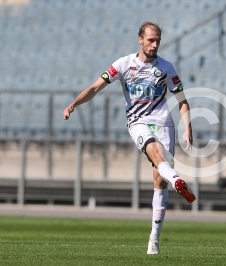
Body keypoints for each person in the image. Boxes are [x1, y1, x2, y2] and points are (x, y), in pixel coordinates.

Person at [63, 21, 196, 255]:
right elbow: (95, 88)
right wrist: (74, 103)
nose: (154, 44)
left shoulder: (166, 67)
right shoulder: (123, 65)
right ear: (140, 39)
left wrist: (188, 127)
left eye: (158, 41)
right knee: (156, 154)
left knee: (158, 181)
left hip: (164, 123)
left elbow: (182, 100)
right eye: (151, 40)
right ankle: (178, 181)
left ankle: (154, 239)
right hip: (138, 123)